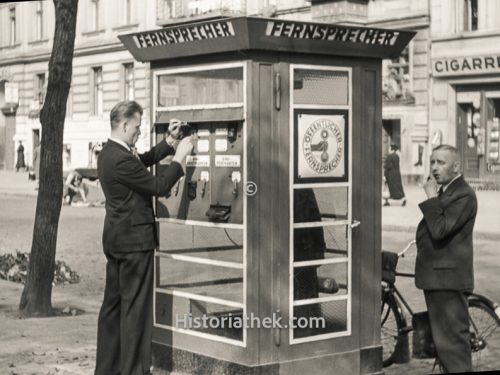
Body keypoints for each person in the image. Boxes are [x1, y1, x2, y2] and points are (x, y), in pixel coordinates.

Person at [95, 101, 193, 375]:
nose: (139, 131)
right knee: (136, 313)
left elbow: (142, 161)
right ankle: (136, 370)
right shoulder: (121, 159)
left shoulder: (109, 153)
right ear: (124, 125)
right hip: (135, 245)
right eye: (137, 126)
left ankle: (108, 369)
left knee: (113, 311)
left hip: (117, 242)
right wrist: (180, 157)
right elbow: (159, 186)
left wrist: (169, 141)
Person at [415, 144, 477, 373]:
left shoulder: (464, 194)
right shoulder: (447, 191)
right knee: (443, 347)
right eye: (432, 162)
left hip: (448, 282)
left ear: (456, 166)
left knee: (453, 349)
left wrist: (431, 197)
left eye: (441, 162)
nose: (434, 168)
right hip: (438, 279)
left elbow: (440, 229)